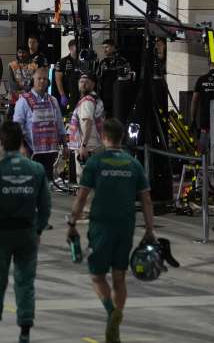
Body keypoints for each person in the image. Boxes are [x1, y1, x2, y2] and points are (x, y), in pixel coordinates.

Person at [67, 118, 156, 343]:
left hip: (101, 226)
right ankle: (117, 314)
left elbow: (82, 197)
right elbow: (146, 200)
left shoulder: (96, 162)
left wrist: (72, 223)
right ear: (122, 138)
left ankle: (111, 313)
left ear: (104, 137)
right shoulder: (133, 164)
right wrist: (149, 229)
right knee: (119, 277)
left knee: (97, 276)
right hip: (125, 226)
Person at [0, 122, 50, 343]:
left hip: (2, 234)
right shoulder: (36, 170)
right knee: (25, 282)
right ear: (22, 140)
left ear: (1, 142)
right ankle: (25, 331)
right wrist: (38, 229)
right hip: (27, 233)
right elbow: (45, 205)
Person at [12, 68, 65, 186]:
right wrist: (20, 146)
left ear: (48, 82)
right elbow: (17, 126)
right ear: (33, 80)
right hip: (31, 150)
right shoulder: (23, 100)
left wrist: (65, 145)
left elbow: (59, 124)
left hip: (49, 150)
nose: (42, 81)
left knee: (45, 184)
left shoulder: (53, 100)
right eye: (39, 78)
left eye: (45, 79)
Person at [69, 72, 104, 177]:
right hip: (95, 145)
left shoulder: (87, 101)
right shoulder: (95, 99)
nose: (83, 84)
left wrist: (83, 146)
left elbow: (87, 123)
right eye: (81, 81)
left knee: (85, 182)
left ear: (93, 84)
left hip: (87, 148)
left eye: (87, 82)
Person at [56, 39, 82, 110]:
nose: (79, 48)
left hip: (81, 95)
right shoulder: (62, 61)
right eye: (77, 47)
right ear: (70, 48)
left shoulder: (83, 61)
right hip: (68, 95)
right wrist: (62, 95)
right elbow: (58, 80)